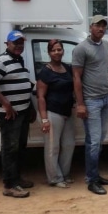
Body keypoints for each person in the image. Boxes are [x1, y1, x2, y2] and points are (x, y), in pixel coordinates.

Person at [72, 14, 108, 195]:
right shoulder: (81, 48)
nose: (101, 29)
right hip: (91, 101)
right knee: (93, 143)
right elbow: (76, 77)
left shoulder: (105, 45)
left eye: (103, 26)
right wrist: (80, 104)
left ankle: (95, 174)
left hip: (105, 99)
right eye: (97, 25)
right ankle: (91, 180)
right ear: (90, 27)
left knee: (98, 142)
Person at [0, 30, 36, 198]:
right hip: (9, 115)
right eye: (16, 43)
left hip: (22, 112)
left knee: (20, 148)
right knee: (10, 149)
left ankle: (17, 179)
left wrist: (31, 106)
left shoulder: (19, 60)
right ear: (7, 44)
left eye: (21, 43)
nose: (19, 46)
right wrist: (6, 103)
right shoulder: (0, 61)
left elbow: (24, 84)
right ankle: (9, 185)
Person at [36, 39, 75, 188]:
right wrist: (44, 119)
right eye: (53, 50)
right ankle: (55, 178)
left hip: (67, 113)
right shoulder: (45, 71)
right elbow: (40, 97)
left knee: (69, 145)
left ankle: (64, 174)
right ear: (49, 52)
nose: (57, 52)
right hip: (53, 113)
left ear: (63, 51)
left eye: (59, 49)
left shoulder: (67, 67)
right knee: (53, 147)